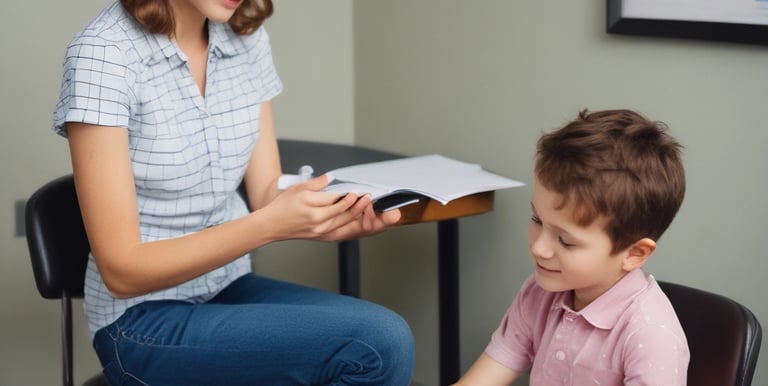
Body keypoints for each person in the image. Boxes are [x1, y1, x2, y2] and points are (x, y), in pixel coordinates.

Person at [52, 0, 415, 385]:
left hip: (228, 286)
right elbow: (122, 272)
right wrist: (269, 225)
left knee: (387, 336)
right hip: (140, 319)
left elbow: (266, 193)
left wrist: (339, 213)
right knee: (376, 343)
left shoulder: (247, 36)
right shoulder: (103, 53)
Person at [453, 109, 689, 385]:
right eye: (536, 219)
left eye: (565, 240)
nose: (539, 248)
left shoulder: (650, 337)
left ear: (634, 253)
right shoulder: (539, 292)